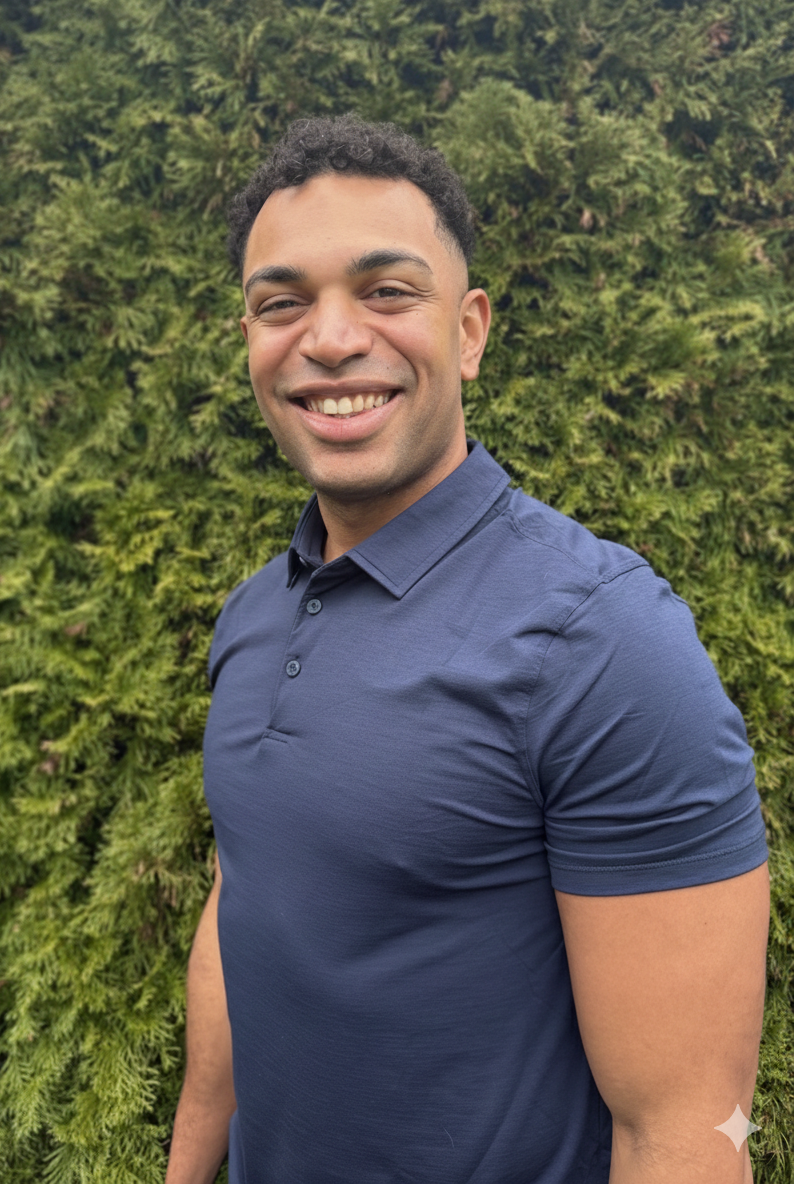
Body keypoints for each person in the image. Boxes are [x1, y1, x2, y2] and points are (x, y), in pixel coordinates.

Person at [165, 115, 770, 1184]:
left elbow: (681, 1130)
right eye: (281, 302)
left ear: (471, 329)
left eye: (387, 291)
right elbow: (244, 908)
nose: (332, 337)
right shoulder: (252, 615)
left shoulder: (604, 640)